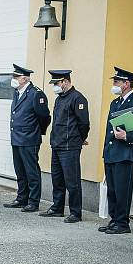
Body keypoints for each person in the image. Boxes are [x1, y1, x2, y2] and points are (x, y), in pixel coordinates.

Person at [100, 67, 133, 234]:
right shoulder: (115, 102)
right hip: (111, 152)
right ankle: (114, 219)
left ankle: (122, 223)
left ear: (126, 84)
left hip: (125, 153)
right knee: (113, 190)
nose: (114, 84)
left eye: (116, 81)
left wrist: (127, 136)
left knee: (123, 190)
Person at [39, 70, 90, 223]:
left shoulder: (78, 98)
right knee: (57, 179)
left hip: (70, 146)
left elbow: (84, 123)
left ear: (66, 82)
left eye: (56, 83)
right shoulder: (60, 98)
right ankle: (57, 208)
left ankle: (75, 213)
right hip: (57, 144)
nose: (54, 86)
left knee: (72, 181)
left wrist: (80, 139)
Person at [3, 64, 51, 212]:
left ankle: (33, 201)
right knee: (20, 170)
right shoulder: (17, 92)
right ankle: (21, 198)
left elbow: (44, 117)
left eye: (16, 77)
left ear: (24, 78)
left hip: (29, 138)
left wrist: (36, 132)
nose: (14, 79)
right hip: (17, 137)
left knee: (31, 171)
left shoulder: (36, 94)